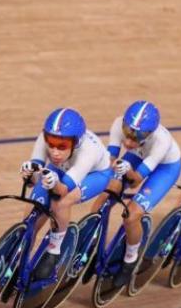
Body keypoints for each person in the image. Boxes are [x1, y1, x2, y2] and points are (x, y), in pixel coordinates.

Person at [91, 100, 181, 288]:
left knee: (132, 215)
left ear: (148, 134)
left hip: (164, 168)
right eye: (127, 135)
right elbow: (111, 160)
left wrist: (126, 170)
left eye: (136, 138)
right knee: (103, 199)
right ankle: (93, 246)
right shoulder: (118, 124)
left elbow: (136, 180)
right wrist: (114, 172)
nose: (128, 142)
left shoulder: (161, 141)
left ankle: (130, 260)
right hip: (137, 156)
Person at [20, 107, 112, 279]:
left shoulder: (87, 152)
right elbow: (34, 180)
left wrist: (53, 183)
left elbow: (62, 190)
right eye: (51, 144)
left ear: (75, 143)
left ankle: (54, 249)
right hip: (61, 168)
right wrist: (28, 175)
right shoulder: (44, 138)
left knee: (60, 203)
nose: (54, 152)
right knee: (30, 219)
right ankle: (19, 260)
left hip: (94, 175)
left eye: (62, 147)